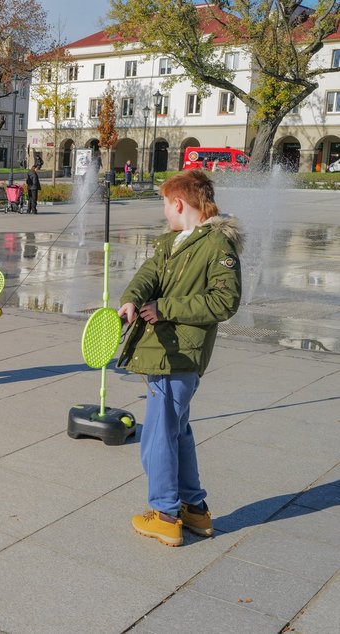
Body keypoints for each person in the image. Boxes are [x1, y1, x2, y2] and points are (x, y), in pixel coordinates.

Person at [116, 170, 242, 547]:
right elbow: (147, 276)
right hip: (162, 351)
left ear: (178, 203)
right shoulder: (171, 241)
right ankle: (195, 509)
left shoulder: (217, 244)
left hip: (180, 354)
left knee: (156, 436)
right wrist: (132, 298)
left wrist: (165, 308)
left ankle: (165, 514)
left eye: (164, 205)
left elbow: (225, 302)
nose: (164, 212)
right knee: (178, 431)